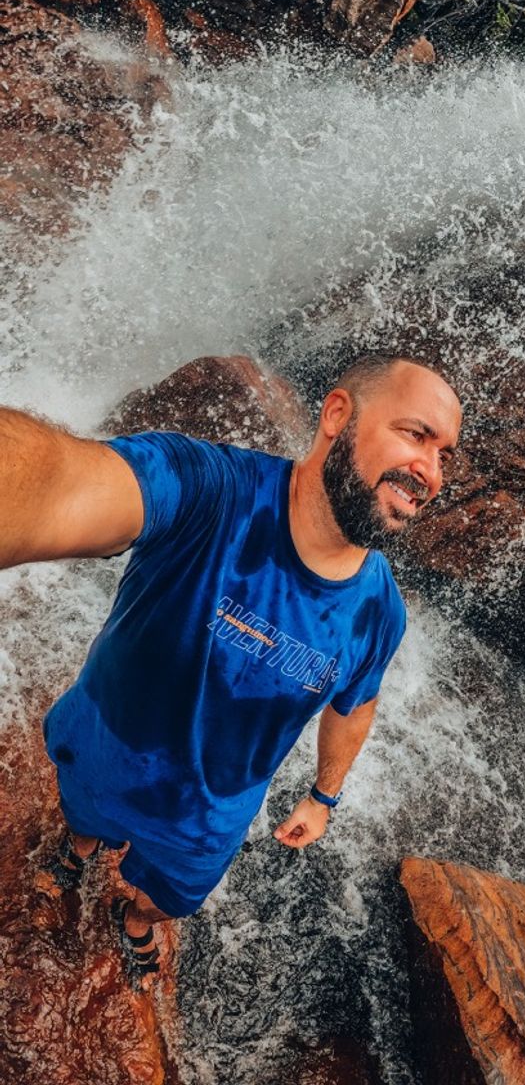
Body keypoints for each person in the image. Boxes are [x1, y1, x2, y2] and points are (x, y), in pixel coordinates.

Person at [1, 354, 461, 982]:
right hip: (101, 748)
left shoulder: (380, 613)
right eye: (416, 435)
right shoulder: (211, 492)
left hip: (209, 818)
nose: (430, 471)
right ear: (336, 415)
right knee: (82, 819)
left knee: (167, 900)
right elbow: (61, 484)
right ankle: (79, 849)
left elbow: (356, 702)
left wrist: (325, 795)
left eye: (445, 457)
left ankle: (133, 920)